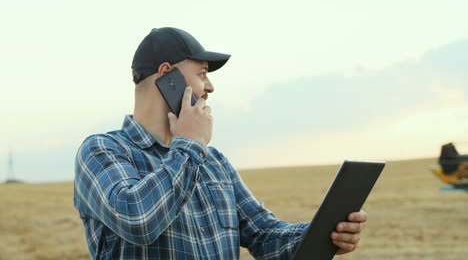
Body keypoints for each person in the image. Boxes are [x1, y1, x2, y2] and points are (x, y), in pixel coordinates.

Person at [74, 27, 368, 259]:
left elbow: (264, 235)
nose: (211, 86)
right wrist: (189, 143)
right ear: (167, 75)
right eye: (202, 73)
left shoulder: (213, 161)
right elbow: (139, 220)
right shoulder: (101, 150)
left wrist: (322, 234)